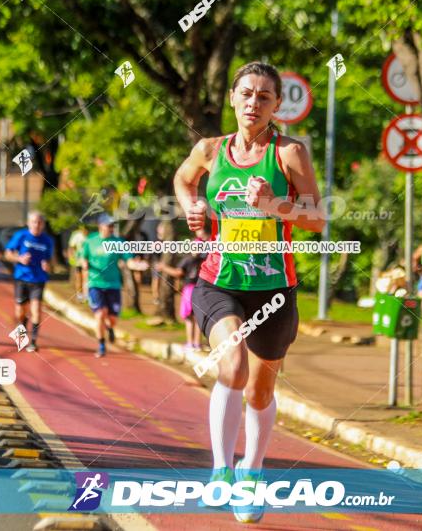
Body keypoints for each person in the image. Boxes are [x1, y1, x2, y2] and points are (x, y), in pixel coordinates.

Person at [173, 61, 324, 523]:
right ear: (233, 99)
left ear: (277, 105)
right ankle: (221, 469)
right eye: (246, 94)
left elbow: (317, 219)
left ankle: (250, 474)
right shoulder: (209, 150)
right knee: (232, 363)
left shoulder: (289, 154)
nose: (253, 103)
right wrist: (193, 207)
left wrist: (272, 205)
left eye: (264, 96)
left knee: (260, 391)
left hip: (275, 290)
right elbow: (183, 181)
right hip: (219, 282)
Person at [82, 214, 148, 358]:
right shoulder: (90, 241)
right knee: (100, 314)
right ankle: (101, 344)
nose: (111, 228)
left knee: (112, 318)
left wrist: (137, 265)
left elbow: (128, 260)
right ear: (100, 226)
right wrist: (84, 266)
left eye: (112, 225)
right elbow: (83, 258)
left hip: (113, 284)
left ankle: (110, 328)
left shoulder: (118, 243)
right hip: (95, 283)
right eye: (108, 225)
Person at [4, 211, 54, 352]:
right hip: (22, 277)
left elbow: (52, 262)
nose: (36, 225)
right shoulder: (21, 236)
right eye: (34, 222)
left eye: (39, 222)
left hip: (39, 279)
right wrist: (19, 259)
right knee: (20, 311)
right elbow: (7, 254)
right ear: (28, 223)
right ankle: (22, 328)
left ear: (43, 224)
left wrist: (48, 266)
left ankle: (33, 341)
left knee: (36, 310)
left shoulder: (48, 240)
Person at [156, 232, 208, 352]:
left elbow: (178, 273)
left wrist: (164, 268)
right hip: (201, 290)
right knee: (196, 318)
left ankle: (191, 343)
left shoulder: (188, 260)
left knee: (189, 318)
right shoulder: (204, 259)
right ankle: (197, 343)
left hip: (190, 290)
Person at [67, 224, 88, 302]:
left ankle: (86, 296)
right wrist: (71, 257)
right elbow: (71, 247)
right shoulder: (77, 235)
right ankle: (79, 295)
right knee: (79, 279)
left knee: (86, 278)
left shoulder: (91, 236)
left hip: (88, 262)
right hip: (78, 261)